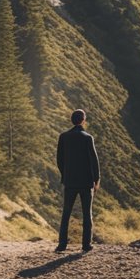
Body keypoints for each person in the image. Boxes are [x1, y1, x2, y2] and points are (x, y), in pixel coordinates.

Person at [55, 108, 100, 252]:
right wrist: (96, 178)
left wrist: (65, 174)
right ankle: (86, 245)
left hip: (69, 181)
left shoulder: (63, 137)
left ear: (71, 120)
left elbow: (59, 159)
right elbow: (94, 160)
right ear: (83, 120)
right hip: (86, 182)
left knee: (66, 212)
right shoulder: (88, 138)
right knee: (87, 213)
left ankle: (62, 245)